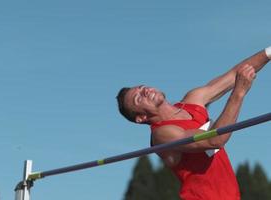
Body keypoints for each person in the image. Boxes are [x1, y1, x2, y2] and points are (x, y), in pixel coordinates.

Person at [116, 47, 271, 200]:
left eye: (143, 87)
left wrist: (269, 52)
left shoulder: (193, 100)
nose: (145, 91)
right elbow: (215, 140)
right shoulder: (161, 134)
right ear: (141, 117)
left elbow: (235, 74)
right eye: (138, 98)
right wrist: (239, 93)